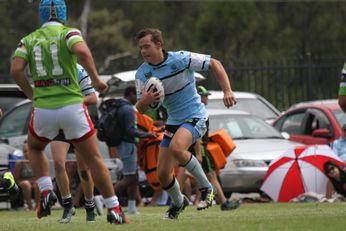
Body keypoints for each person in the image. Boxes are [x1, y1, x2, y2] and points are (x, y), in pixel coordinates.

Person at [10, 0, 126, 224]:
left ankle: (45, 190)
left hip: (43, 109)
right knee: (94, 159)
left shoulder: (29, 39)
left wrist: (31, 94)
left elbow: (16, 70)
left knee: (34, 148)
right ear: (63, 14)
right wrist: (96, 79)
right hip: (72, 108)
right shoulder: (69, 32)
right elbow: (81, 51)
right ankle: (114, 208)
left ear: (41, 16)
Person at [134, 28, 237, 219]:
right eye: (141, 48)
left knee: (177, 148)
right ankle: (179, 202)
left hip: (195, 116)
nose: (144, 51)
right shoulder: (142, 73)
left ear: (159, 45)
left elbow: (215, 63)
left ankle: (207, 189)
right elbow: (140, 109)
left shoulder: (181, 59)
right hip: (173, 122)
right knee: (163, 174)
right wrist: (145, 100)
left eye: (147, 46)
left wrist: (227, 91)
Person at [50, 64, 97, 223]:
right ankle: (68, 205)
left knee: (83, 170)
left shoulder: (77, 69)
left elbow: (93, 98)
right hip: (58, 124)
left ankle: (90, 206)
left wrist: (73, 101)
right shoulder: (46, 70)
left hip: (78, 122)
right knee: (57, 163)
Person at [110, 86, 156, 215]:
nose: (138, 98)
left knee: (133, 177)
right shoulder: (128, 109)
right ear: (130, 94)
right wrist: (147, 135)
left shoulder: (119, 106)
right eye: (136, 95)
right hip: (128, 145)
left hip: (123, 145)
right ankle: (105, 198)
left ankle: (131, 207)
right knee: (130, 178)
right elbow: (130, 130)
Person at [195, 86, 240, 210]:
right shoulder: (198, 110)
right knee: (211, 175)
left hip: (198, 147)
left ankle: (199, 200)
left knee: (200, 175)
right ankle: (223, 203)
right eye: (204, 96)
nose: (206, 98)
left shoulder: (197, 109)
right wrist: (199, 152)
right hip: (202, 149)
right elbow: (197, 132)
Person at [13, 141, 40, 210]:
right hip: (23, 181)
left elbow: (40, 175)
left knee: (38, 184)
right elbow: (16, 178)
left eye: (28, 151)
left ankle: (37, 206)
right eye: (25, 151)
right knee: (26, 184)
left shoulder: (37, 161)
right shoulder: (19, 163)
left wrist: (33, 180)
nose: (27, 153)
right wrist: (29, 180)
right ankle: (30, 206)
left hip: (35, 180)